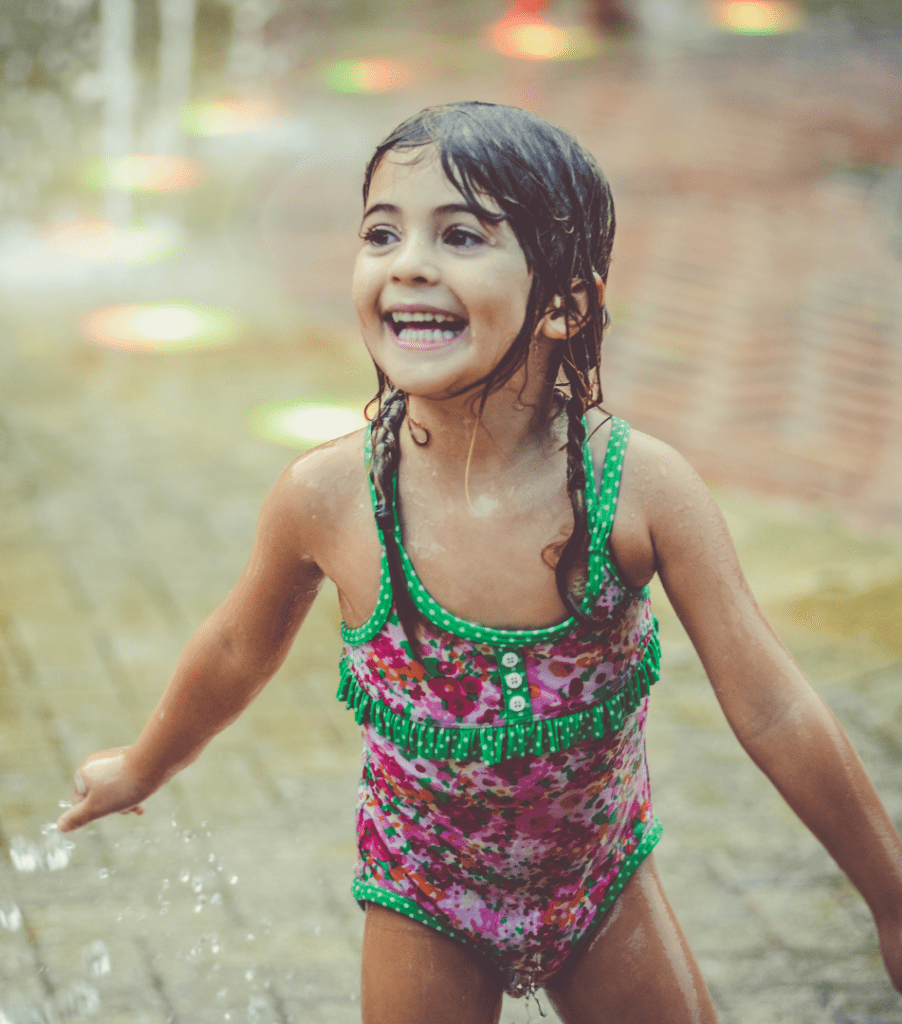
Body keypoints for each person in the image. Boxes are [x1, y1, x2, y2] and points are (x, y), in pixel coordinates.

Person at [57, 102, 902, 1023]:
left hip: (599, 881)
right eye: (382, 232)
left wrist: (891, 898)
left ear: (565, 303)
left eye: (462, 234)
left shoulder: (636, 491)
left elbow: (772, 704)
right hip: (421, 891)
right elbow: (234, 650)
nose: (408, 261)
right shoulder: (330, 497)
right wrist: (142, 765)